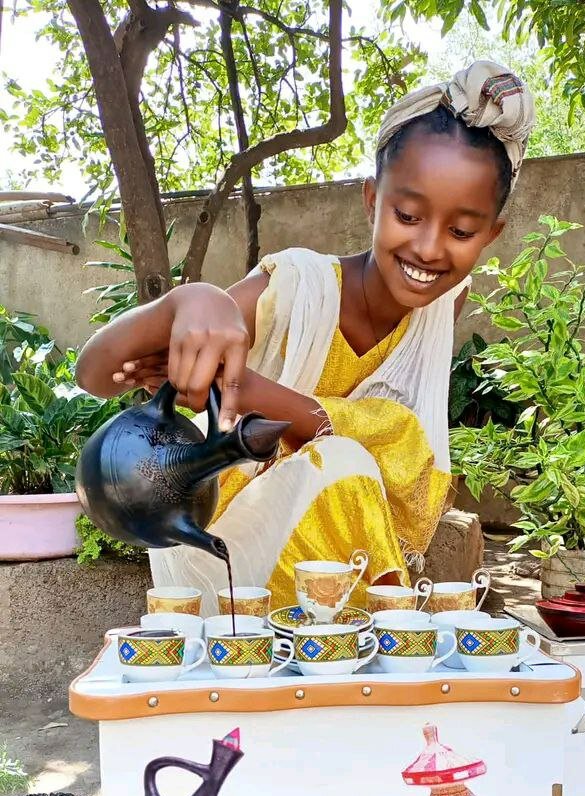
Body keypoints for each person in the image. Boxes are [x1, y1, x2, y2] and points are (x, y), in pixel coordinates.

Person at [76, 61, 535, 615]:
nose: (430, 248)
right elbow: (95, 373)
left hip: (341, 566)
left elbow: (398, 456)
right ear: (372, 200)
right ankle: (384, 637)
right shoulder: (296, 289)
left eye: (461, 231)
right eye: (408, 215)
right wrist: (185, 302)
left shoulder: (443, 303)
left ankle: (367, 648)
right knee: (341, 462)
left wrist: (249, 388)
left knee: (361, 454)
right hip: (222, 556)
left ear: (491, 234)